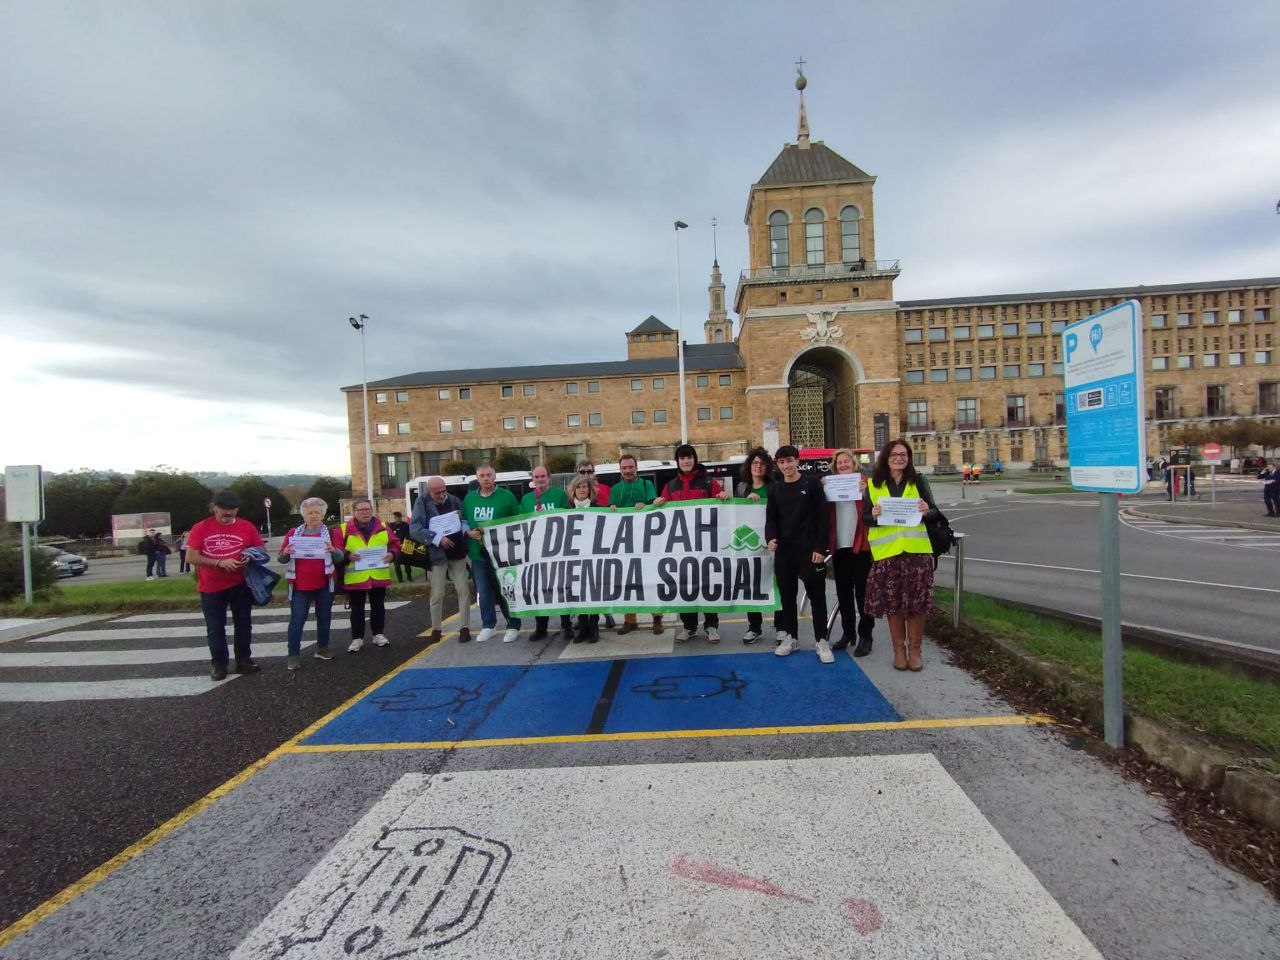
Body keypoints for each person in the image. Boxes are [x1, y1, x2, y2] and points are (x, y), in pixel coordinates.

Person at [863, 438, 937, 672]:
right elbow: (865, 519)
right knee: (893, 604)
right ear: (886, 457)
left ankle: (915, 650)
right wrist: (873, 515)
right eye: (894, 454)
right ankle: (899, 651)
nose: (899, 458)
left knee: (916, 605)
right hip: (888, 554)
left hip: (916, 553)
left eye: (904, 454)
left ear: (909, 458)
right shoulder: (873, 485)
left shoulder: (919, 481)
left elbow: (935, 512)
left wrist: (927, 511)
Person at [654, 443, 731, 643]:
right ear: (677, 462)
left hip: (706, 545)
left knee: (707, 585)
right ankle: (689, 627)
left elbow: (722, 506)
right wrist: (658, 503)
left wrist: (722, 497)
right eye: (682, 458)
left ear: (694, 459)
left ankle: (712, 626)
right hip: (681, 547)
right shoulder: (671, 485)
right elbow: (663, 512)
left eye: (689, 457)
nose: (686, 461)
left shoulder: (708, 482)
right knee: (684, 586)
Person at [186, 491, 264, 681]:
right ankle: (219, 664)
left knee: (244, 624)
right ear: (214, 508)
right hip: (211, 586)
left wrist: (249, 556)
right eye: (224, 510)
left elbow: (260, 549)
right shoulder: (201, 527)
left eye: (233, 509)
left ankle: (244, 660)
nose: (228, 513)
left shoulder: (246, 526)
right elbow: (191, 557)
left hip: (241, 583)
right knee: (215, 627)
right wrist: (220, 562)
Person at [767, 445, 832, 663]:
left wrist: (820, 548)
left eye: (789, 460)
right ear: (777, 464)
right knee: (787, 598)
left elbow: (823, 518)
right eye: (781, 462)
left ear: (797, 461)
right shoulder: (775, 489)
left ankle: (821, 640)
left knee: (817, 597)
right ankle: (791, 638)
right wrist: (771, 538)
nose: (786, 465)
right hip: (785, 553)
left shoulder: (811, 483)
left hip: (810, 551)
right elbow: (772, 519)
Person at [278, 496, 344, 669]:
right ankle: (293, 654)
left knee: (324, 617)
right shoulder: (293, 533)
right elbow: (282, 559)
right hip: (299, 584)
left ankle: (322, 648)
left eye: (317, 512)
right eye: (310, 513)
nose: (313, 515)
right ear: (304, 516)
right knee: (297, 619)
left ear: (323, 515)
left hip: (324, 582)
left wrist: (334, 550)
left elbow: (340, 558)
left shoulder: (331, 533)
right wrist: (286, 552)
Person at [824, 448, 874, 656]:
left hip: (861, 546)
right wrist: (823, 489)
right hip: (839, 546)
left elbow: (874, 511)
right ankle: (848, 633)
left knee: (863, 594)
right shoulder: (830, 485)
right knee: (844, 593)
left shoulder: (866, 484)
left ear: (854, 464)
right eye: (839, 463)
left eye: (846, 462)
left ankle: (865, 635)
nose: (843, 465)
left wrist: (866, 494)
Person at [464, 464, 521, 642]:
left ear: (495, 477)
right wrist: (467, 532)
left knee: (506, 590)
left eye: (489, 475)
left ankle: (513, 625)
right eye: (482, 476)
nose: (486, 478)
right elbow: (464, 521)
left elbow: (517, 521)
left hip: (501, 554)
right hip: (478, 554)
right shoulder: (469, 499)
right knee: (484, 591)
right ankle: (488, 625)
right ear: (477, 478)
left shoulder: (507, 497)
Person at [411, 477, 472, 643]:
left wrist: (461, 521)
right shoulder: (421, 503)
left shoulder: (454, 500)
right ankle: (436, 629)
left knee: (463, 590)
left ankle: (465, 627)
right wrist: (437, 539)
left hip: (457, 552)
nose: (442, 495)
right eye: (437, 493)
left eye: (444, 491)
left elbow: (465, 522)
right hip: (437, 555)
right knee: (437, 594)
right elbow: (415, 529)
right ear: (429, 491)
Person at [610, 454, 663, 636]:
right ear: (620, 470)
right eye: (624, 468)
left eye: (630, 467)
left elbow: (654, 505)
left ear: (636, 468)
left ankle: (657, 618)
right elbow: (610, 511)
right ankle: (629, 620)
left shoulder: (647, 485)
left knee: (650, 578)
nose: (627, 471)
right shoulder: (615, 489)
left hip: (646, 541)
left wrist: (646, 505)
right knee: (627, 581)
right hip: (625, 543)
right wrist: (612, 509)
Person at [519, 466, 573, 641]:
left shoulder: (560, 495)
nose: (540, 479)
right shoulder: (527, 499)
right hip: (536, 552)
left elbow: (569, 517)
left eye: (543, 476)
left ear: (549, 478)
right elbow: (520, 524)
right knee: (539, 589)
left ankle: (566, 625)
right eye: (537, 476)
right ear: (532, 479)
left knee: (562, 588)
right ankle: (541, 626)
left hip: (558, 549)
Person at [340, 498, 400, 652]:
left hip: (378, 575)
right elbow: (335, 550)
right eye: (361, 510)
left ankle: (378, 634)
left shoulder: (384, 527)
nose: (365, 512)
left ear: (372, 510)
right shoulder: (343, 529)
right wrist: (347, 556)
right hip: (356, 577)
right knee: (357, 609)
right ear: (354, 512)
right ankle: (357, 638)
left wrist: (392, 554)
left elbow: (395, 544)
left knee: (378, 606)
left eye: (368, 509)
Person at [735, 447, 776, 645]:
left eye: (762, 463)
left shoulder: (774, 486)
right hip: (751, 545)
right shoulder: (743, 488)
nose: (758, 466)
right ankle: (754, 627)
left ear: (767, 467)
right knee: (752, 586)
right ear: (749, 466)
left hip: (773, 543)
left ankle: (781, 627)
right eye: (755, 463)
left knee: (778, 584)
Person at [575, 459, 615, 630]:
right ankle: (583, 619)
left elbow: (610, 511)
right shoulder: (573, 493)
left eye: (589, 471)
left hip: (599, 542)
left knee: (598, 582)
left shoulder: (605, 490)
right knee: (581, 583)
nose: (586, 475)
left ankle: (606, 614)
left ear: (594, 472)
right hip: (579, 546)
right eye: (582, 472)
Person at [567, 476, 602, 643]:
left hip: (593, 557)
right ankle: (583, 627)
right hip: (575, 557)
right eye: (578, 487)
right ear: (574, 490)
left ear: (590, 490)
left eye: (585, 487)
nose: (582, 490)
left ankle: (594, 627)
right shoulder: (566, 510)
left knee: (593, 592)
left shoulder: (598, 508)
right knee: (578, 592)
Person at [389, 510, 415, 583]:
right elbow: (390, 537)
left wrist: (404, 543)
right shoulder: (391, 526)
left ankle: (409, 577)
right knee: (397, 564)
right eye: (395, 517)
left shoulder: (406, 525)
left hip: (406, 545)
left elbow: (409, 535)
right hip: (396, 547)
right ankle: (400, 580)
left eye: (398, 517)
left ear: (401, 517)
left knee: (407, 563)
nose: (397, 519)